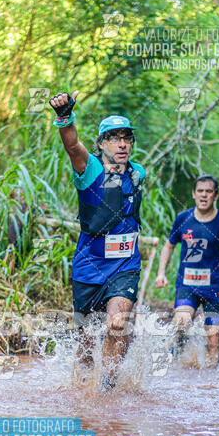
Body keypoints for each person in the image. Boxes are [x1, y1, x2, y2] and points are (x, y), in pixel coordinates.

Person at [48, 91, 146, 389]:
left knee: (119, 322)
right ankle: (84, 391)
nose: (122, 144)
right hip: (89, 266)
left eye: (126, 138)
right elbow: (72, 146)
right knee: (86, 343)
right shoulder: (88, 168)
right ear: (101, 143)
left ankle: (107, 388)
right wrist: (65, 117)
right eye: (114, 138)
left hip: (125, 264)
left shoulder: (138, 172)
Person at [154, 175, 219, 369]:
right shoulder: (183, 218)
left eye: (208, 191)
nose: (204, 195)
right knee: (181, 323)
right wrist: (161, 273)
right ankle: (173, 367)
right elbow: (169, 246)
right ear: (194, 194)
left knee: (214, 337)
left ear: (215, 196)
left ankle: (210, 380)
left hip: (215, 287)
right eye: (200, 191)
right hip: (187, 284)